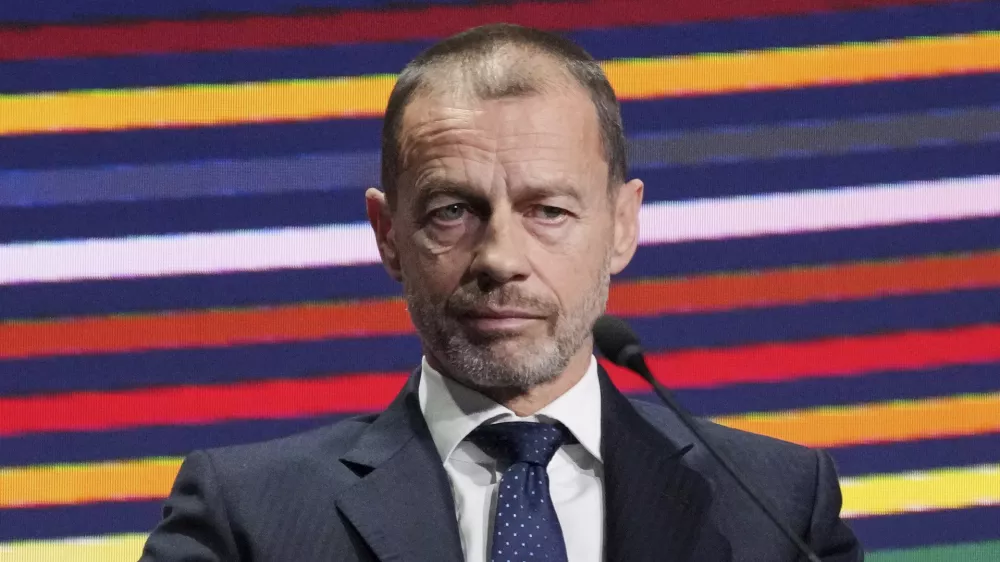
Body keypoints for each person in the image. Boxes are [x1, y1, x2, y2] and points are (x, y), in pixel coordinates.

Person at [139, 23, 863, 562]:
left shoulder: (774, 505)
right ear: (387, 233)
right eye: (452, 210)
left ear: (621, 225)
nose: (500, 258)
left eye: (549, 210)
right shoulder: (248, 517)